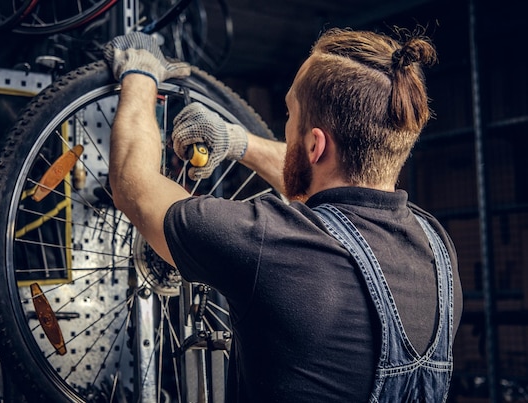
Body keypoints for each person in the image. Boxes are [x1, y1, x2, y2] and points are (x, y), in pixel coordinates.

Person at [105, 27, 462, 402]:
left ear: (314, 144)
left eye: (290, 113)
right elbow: (321, 184)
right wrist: (236, 140)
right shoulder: (437, 248)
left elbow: (135, 186)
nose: (286, 127)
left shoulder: (271, 243)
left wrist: (140, 75)